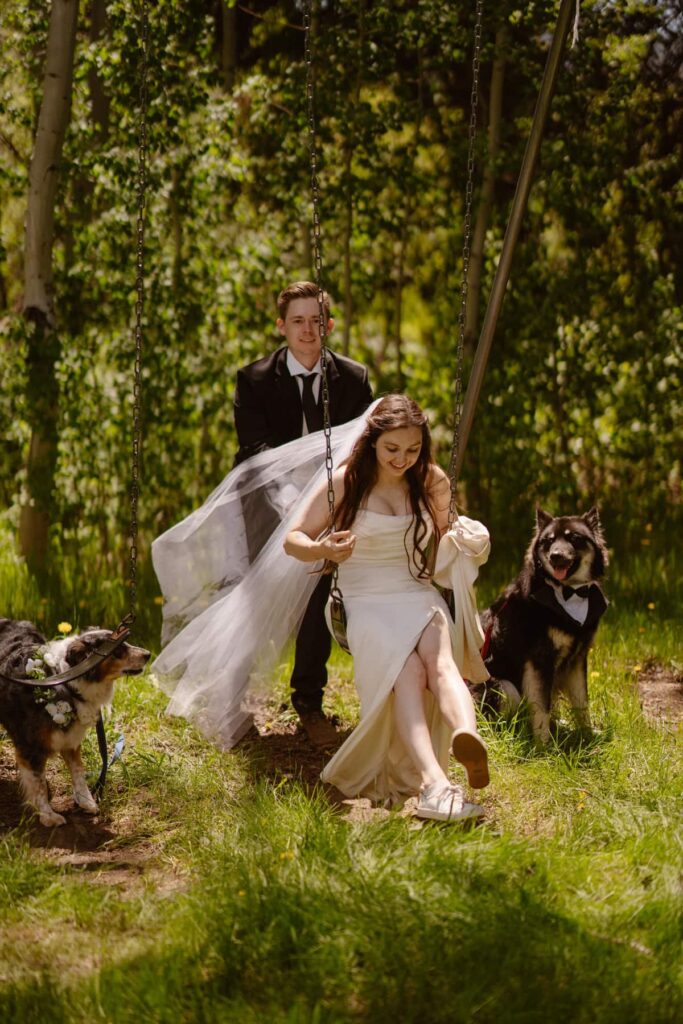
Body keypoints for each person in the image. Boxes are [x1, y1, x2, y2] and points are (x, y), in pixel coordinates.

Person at [283, 395, 491, 822]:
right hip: (363, 599)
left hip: (416, 592)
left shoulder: (430, 481)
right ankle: (434, 784)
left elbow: (445, 540)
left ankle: (464, 737)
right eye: (392, 449)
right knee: (409, 673)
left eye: (413, 450)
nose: (402, 459)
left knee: (440, 664)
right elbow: (293, 539)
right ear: (372, 442)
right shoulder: (343, 482)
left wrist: (467, 537)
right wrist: (323, 548)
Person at [232, 282, 373, 747]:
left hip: (329, 503)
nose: (308, 330)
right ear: (281, 326)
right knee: (256, 599)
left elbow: (362, 449)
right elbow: (255, 450)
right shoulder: (253, 379)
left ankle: (308, 703)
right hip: (266, 501)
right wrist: (290, 498)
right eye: (298, 320)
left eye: (317, 320)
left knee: (317, 593)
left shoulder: (353, 379)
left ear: (328, 326)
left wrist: (330, 507)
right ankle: (236, 702)